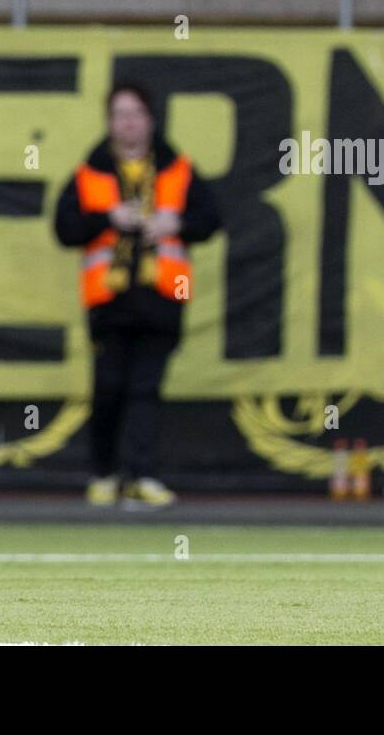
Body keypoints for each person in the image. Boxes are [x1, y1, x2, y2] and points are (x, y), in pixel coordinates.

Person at [54, 82, 221, 510]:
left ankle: (143, 474)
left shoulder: (177, 167)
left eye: (136, 113)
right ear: (109, 121)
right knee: (108, 386)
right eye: (120, 114)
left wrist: (175, 223)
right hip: (108, 301)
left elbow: (211, 219)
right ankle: (105, 473)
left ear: (151, 119)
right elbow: (65, 228)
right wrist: (106, 218)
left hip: (162, 296)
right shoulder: (91, 170)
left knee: (147, 388)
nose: (128, 123)